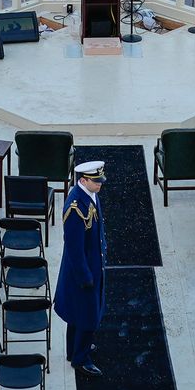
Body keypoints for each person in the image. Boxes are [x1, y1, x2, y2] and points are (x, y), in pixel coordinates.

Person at [53, 160, 108, 376]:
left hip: (93, 262)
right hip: (83, 271)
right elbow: (75, 248)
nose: (100, 184)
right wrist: (85, 276)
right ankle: (80, 358)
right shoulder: (76, 207)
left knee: (78, 313)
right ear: (83, 180)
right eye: (96, 181)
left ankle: (73, 349)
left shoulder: (90, 195)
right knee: (87, 316)